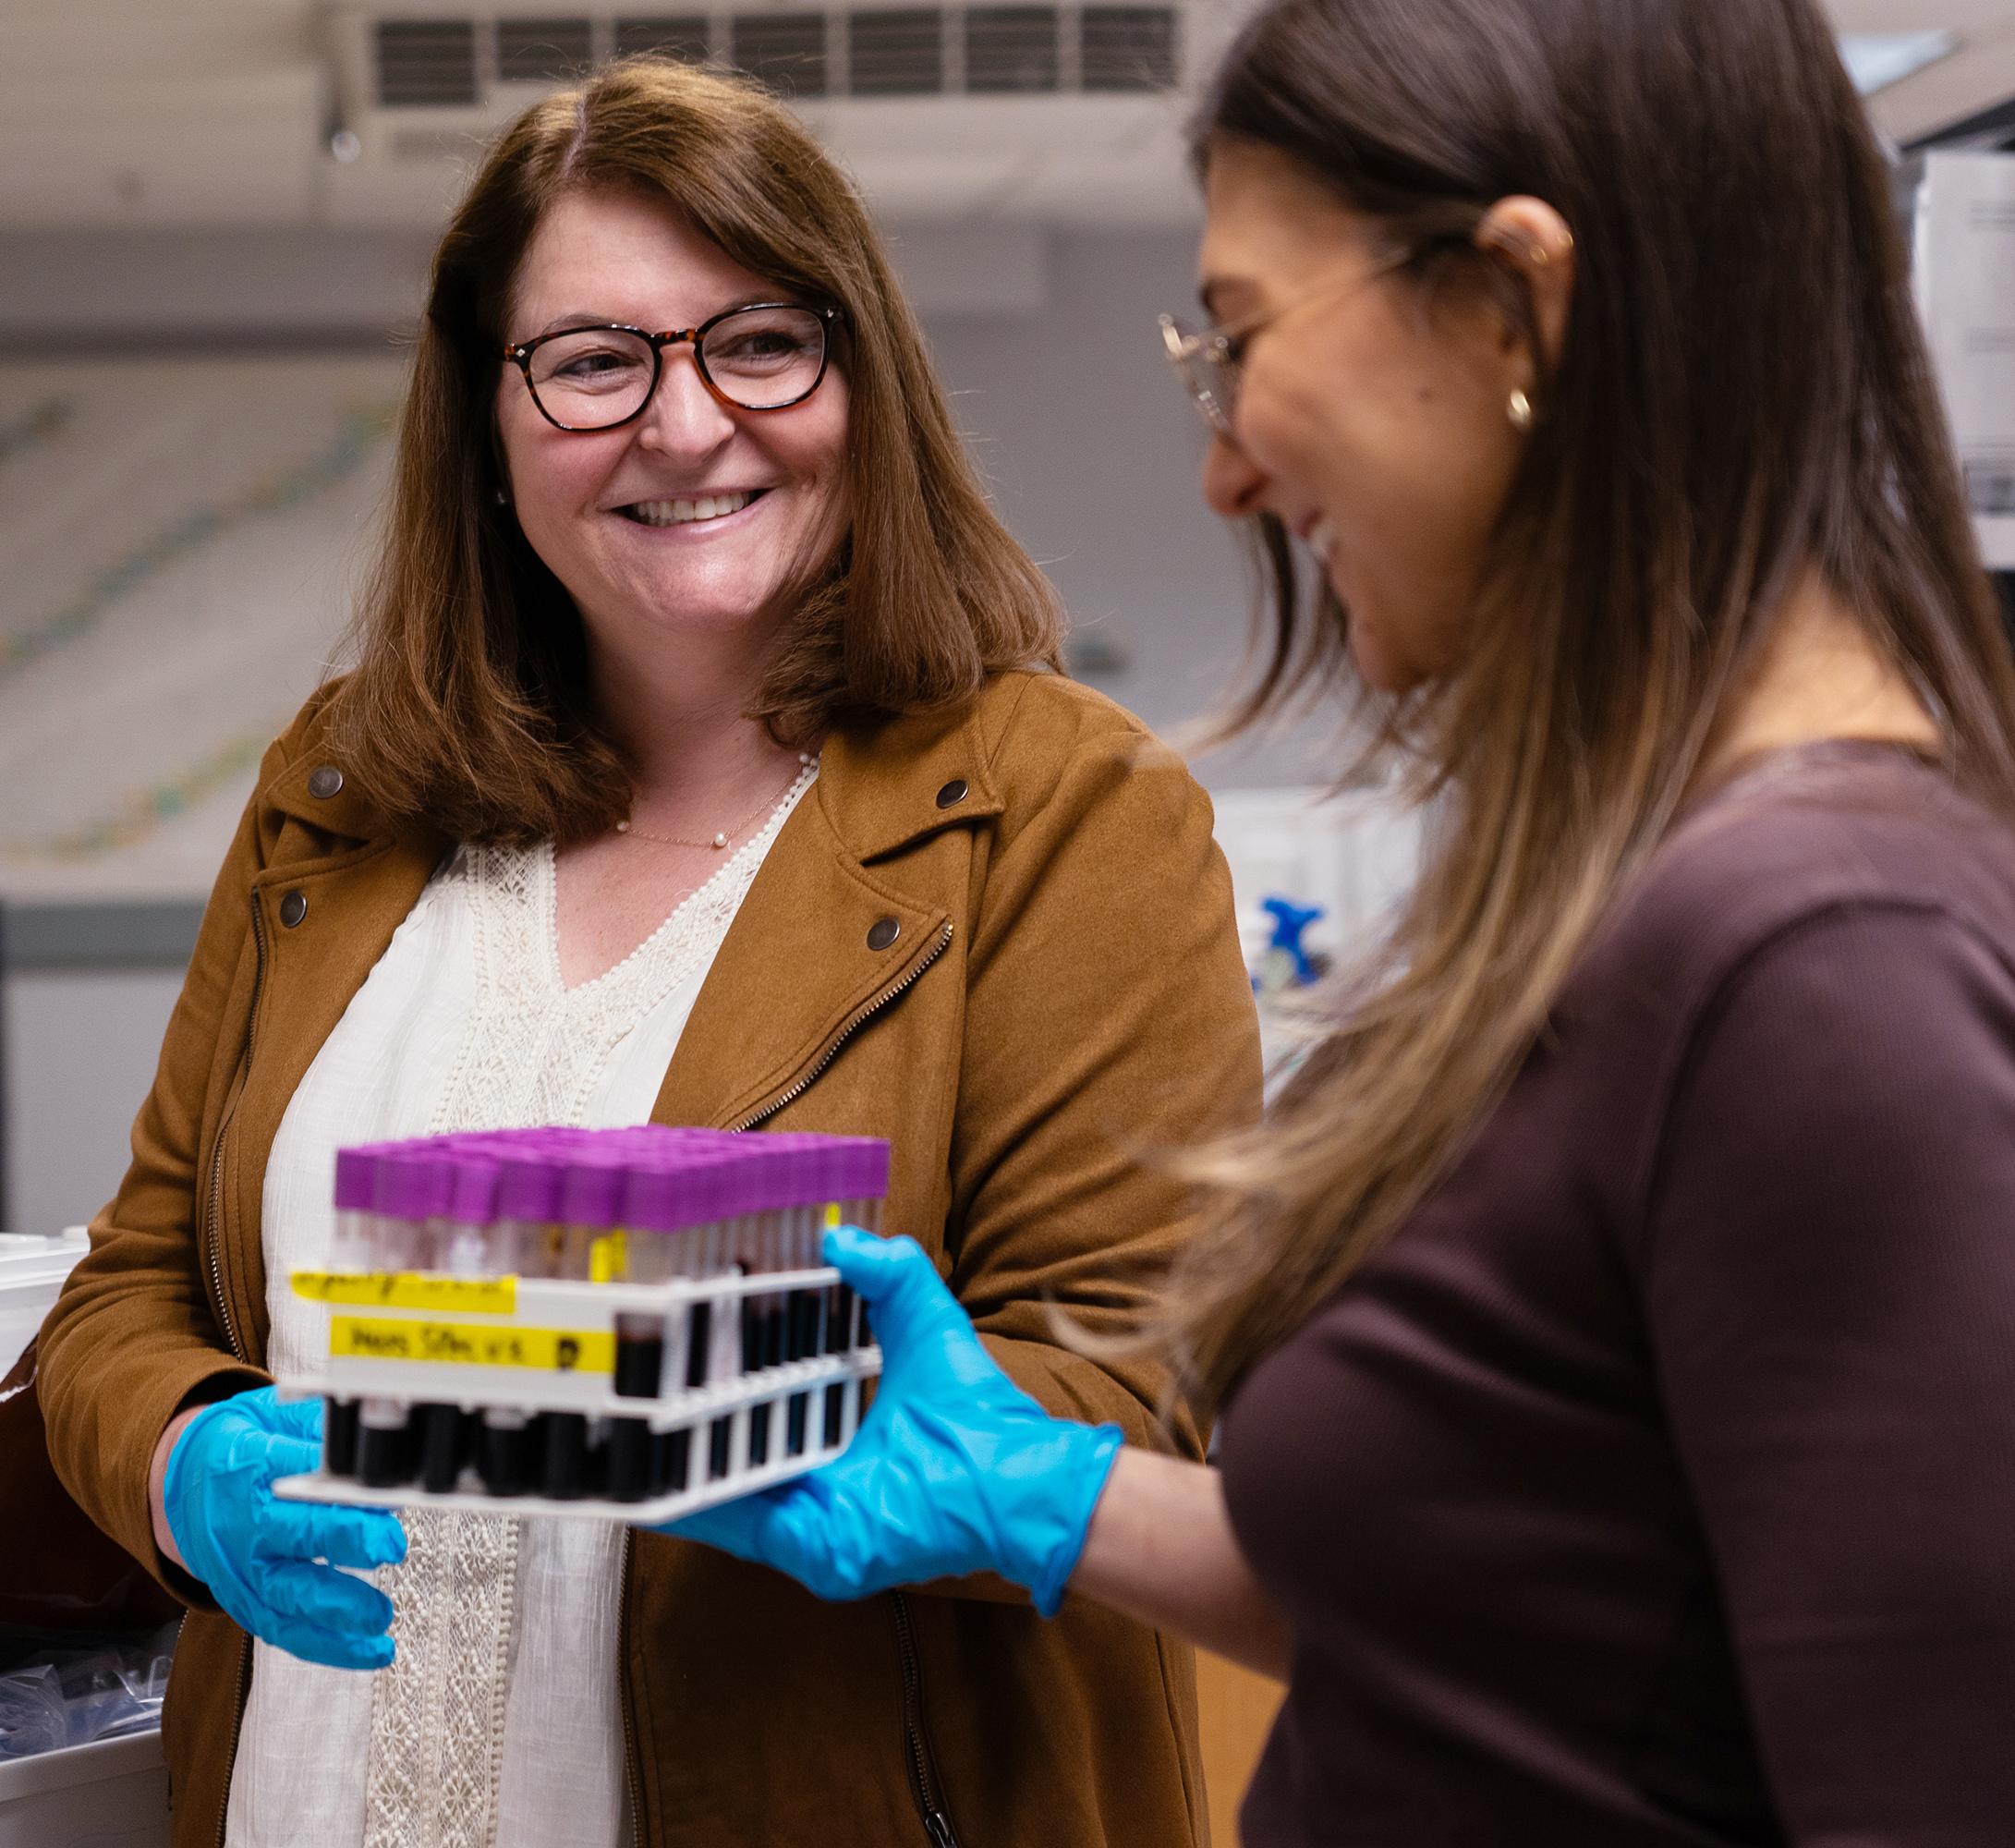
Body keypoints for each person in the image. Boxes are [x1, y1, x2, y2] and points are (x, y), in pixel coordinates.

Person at [668, 0, 2015, 1840]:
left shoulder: (1816, 965)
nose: (1221, 468)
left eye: (1234, 338)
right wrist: (1040, 1494)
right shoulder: (1648, 905)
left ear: (1508, 302)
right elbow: (1536, 1628)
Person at [35, 57, 1258, 1848]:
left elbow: (1134, 1394)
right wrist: (178, 1451)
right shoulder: (340, 794)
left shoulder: (1065, 812)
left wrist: (772, 1416)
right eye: (594, 360)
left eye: (758, 340)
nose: (683, 426)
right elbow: (129, 1288)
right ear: (488, 417)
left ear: (860, 380)